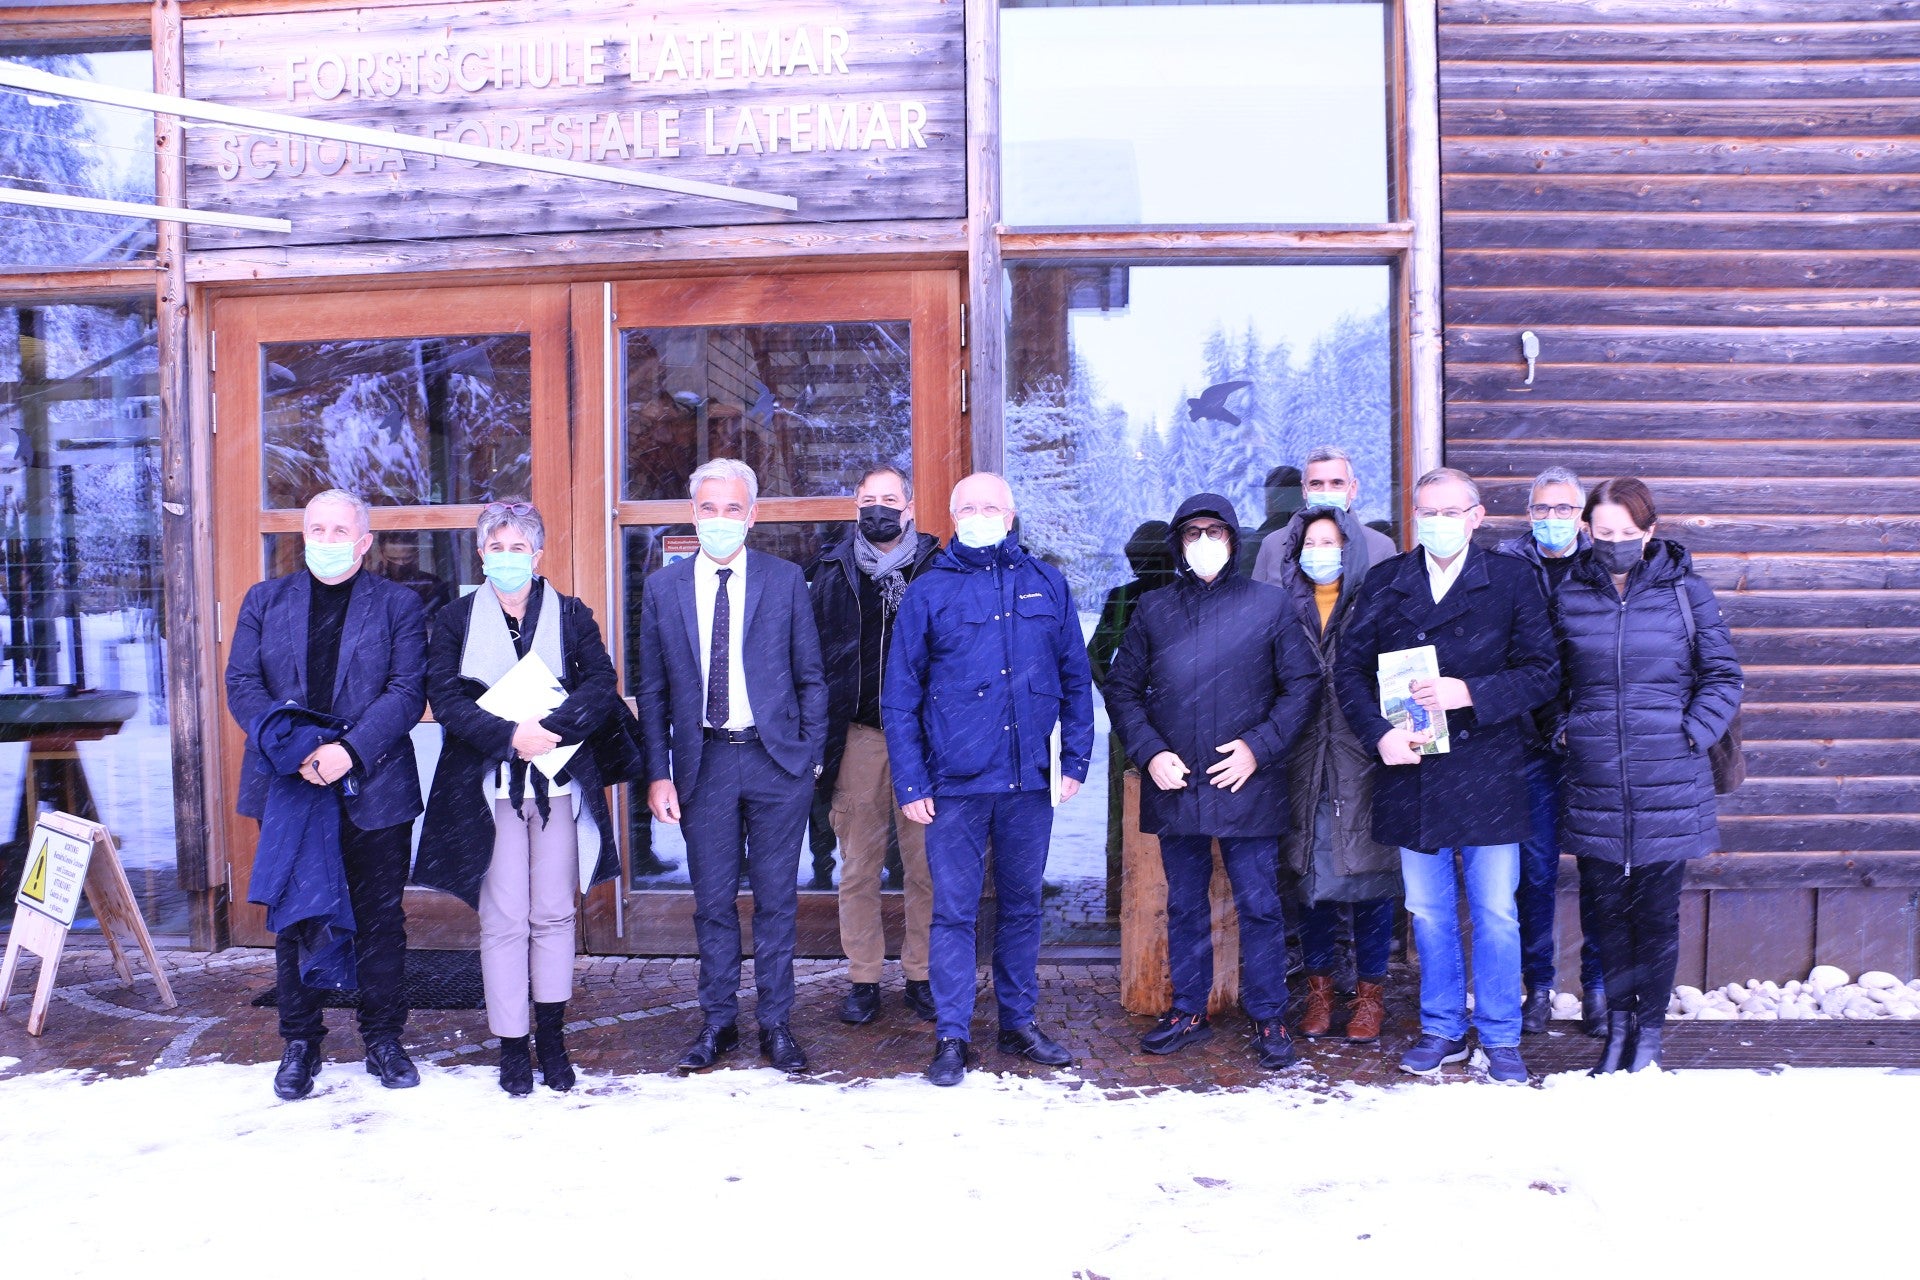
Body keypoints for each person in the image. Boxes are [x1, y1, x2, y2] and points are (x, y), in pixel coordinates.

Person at [1335, 467, 1558, 1083]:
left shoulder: (1512, 581)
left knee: (1494, 911)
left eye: (1451, 511)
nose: (1438, 522)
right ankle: (1441, 1029)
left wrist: (1471, 692)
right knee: (1429, 912)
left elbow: (1545, 672)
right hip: (1414, 773)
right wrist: (1380, 736)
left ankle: (1501, 1035)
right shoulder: (1387, 583)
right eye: (1426, 512)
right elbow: (1349, 674)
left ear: (1477, 516)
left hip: (1489, 771)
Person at [414, 502, 634, 1096]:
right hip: (490, 791)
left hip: (560, 784)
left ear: (538, 557)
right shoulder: (456, 620)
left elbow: (600, 683)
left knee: (555, 913)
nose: (507, 558)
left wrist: (553, 731)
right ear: (480, 554)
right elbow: (447, 700)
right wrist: (512, 737)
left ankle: (553, 1039)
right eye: (496, 547)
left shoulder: (570, 614)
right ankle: (513, 1046)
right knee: (506, 917)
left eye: (519, 548)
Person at [882, 471, 1094, 1087]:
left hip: (1029, 779)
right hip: (955, 782)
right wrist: (912, 782)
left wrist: (1074, 760)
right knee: (953, 912)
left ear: (1010, 513)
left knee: (1023, 907)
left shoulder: (1045, 583)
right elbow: (900, 698)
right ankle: (952, 1034)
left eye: (990, 506)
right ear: (951, 517)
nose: (979, 514)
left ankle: (1017, 1021)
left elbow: (1076, 680)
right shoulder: (928, 592)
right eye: (967, 507)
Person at [224, 489, 428, 1101]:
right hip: (292, 784)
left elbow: (405, 689)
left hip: (374, 782)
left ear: (364, 542)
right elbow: (243, 685)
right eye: (317, 528)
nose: (328, 539)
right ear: (302, 535)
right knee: (295, 915)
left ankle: (384, 1037)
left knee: (380, 919)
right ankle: (300, 1042)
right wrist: (302, 751)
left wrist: (348, 751)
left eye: (342, 530)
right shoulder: (264, 600)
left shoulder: (399, 604)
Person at [1105, 494, 1319, 1068]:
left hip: (1246, 779)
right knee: (1185, 905)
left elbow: (1302, 687)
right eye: (1193, 531)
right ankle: (1188, 1008)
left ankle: (1270, 1016)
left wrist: (1258, 748)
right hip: (1177, 781)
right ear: (1178, 542)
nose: (1204, 541)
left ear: (1233, 539)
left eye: (1215, 531)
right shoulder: (1153, 610)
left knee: (1259, 904)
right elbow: (1122, 689)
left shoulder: (1269, 606)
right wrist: (1149, 753)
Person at [636, 458, 827, 1074]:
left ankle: (776, 1023)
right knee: (712, 902)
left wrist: (810, 755)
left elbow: (810, 676)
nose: (721, 519)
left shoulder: (784, 579)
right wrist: (658, 771)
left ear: (753, 515)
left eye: (733, 508)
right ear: (694, 514)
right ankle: (718, 1020)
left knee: (777, 901)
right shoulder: (664, 588)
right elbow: (655, 689)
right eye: (709, 508)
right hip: (704, 764)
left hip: (776, 764)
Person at [1553, 478, 1741, 1073]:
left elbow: (1723, 675)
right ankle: (1617, 1030)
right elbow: (1547, 679)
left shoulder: (1688, 592)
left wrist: (1692, 732)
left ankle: (1650, 1034)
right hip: (1594, 776)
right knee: (1605, 912)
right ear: (1586, 530)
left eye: (1627, 535)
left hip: (1671, 778)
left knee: (1656, 914)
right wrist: (1564, 729)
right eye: (1603, 533)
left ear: (1650, 531)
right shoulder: (1567, 593)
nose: (1614, 544)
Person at [1255, 503, 1402, 1046]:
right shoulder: (1281, 608)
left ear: (1352, 549)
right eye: (1310, 544)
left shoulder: (1379, 603)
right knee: (1310, 878)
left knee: (1370, 879)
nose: (1321, 553)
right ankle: (1319, 991)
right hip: (1300, 761)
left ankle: (1369, 996)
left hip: (1363, 759)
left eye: (1331, 543)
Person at [805, 465, 941, 1026]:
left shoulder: (938, 568)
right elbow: (808, 657)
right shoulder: (830, 570)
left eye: (890, 499)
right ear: (855, 506)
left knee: (925, 867)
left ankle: (922, 973)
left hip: (925, 738)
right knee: (858, 866)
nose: (879, 508)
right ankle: (863, 977)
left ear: (909, 506)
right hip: (858, 735)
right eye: (869, 499)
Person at [1495, 466, 1608, 1036]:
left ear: (1582, 516)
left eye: (1564, 509)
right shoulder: (1506, 564)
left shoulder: (1604, 564)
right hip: (1528, 741)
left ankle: (1598, 987)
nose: (1552, 519)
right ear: (1528, 513)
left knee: (1602, 868)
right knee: (1535, 872)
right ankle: (1538, 986)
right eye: (1542, 509)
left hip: (1595, 739)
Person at [1253, 445, 1395, 585]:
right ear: (1304, 490)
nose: (1326, 491)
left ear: (1352, 489)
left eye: (1336, 483)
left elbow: (1387, 605)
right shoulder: (1272, 545)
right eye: (1316, 484)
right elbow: (1259, 604)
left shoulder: (1381, 547)